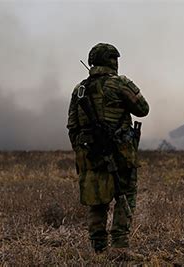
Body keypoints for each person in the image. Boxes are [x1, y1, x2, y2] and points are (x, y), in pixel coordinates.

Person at [66, 43, 149, 254]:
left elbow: (72, 126)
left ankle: (98, 248)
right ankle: (120, 246)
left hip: (90, 154)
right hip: (120, 153)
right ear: (113, 61)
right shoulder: (119, 84)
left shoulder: (80, 89)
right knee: (125, 195)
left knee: (97, 199)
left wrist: (82, 151)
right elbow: (143, 109)